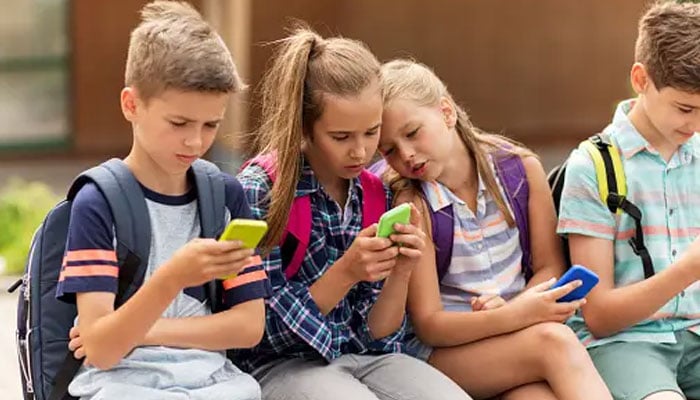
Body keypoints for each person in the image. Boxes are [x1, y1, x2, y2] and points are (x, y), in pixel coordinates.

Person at [234, 26, 472, 400]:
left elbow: (378, 334)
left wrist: (400, 272)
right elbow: (260, 331)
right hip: (281, 365)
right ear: (304, 127)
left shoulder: (373, 192)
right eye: (341, 137)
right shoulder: (262, 191)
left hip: (365, 357)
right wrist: (346, 272)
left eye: (371, 133)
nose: (360, 153)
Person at [57, 2, 270, 399]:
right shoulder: (98, 201)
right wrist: (173, 277)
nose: (196, 141)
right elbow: (101, 350)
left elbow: (248, 326)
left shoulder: (225, 196)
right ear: (131, 105)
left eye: (211, 125)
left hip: (214, 384)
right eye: (179, 123)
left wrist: (146, 331)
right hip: (123, 386)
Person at [377, 59, 612, 400]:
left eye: (412, 133)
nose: (407, 155)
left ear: (446, 113)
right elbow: (429, 324)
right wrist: (516, 316)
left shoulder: (521, 170)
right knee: (555, 343)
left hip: (517, 337)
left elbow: (549, 265)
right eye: (390, 150)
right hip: (444, 357)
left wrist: (518, 307)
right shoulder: (413, 202)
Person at [557, 2, 700, 399]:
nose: (695, 124)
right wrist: (688, 270)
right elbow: (599, 316)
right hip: (627, 345)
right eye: (685, 108)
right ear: (641, 79)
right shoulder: (593, 166)